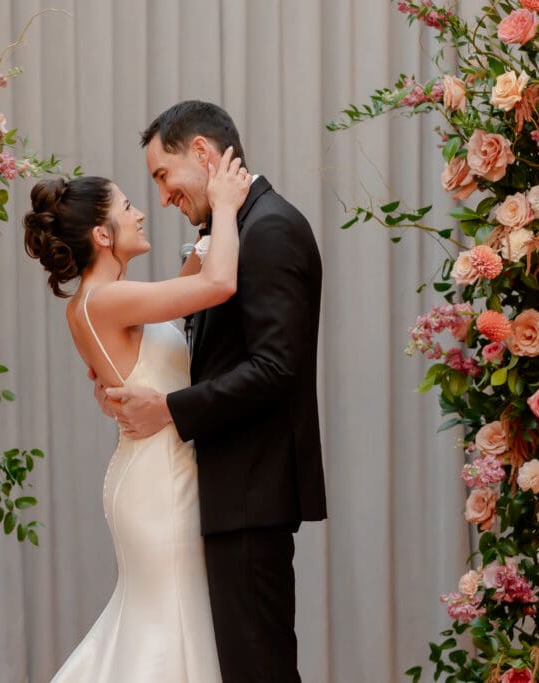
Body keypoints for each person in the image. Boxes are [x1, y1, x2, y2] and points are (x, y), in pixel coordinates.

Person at [105, 100, 327, 682]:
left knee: (259, 668)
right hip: (232, 489)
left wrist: (170, 411)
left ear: (201, 154)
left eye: (162, 176)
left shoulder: (270, 229)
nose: (162, 197)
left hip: (252, 489)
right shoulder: (234, 229)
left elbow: (276, 368)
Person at [24, 148, 251, 682]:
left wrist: (203, 241)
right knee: (168, 625)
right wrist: (221, 207)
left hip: (147, 471)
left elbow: (178, 298)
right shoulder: (108, 300)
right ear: (102, 234)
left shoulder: (92, 301)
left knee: (160, 619)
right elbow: (216, 287)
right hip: (161, 482)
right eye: (127, 207)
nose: (141, 212)